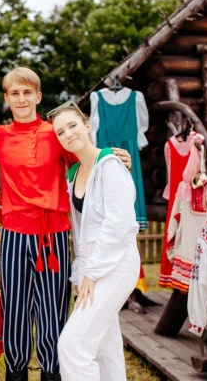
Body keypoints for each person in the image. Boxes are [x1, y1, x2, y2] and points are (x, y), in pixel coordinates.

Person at [0, 67, 131, 381]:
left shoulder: (56, 133)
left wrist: (112, 157)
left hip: (54, 236)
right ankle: (16, 373)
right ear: (6, 99)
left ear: (38, 96)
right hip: (14, 234)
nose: (21, 99)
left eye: (27, 92)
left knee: (52, 310)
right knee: (15, 311)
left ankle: (52, 373)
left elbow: (87, 158)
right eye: (15, 93)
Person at [49, 102, 140, 381]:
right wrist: (82, 270)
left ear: (87, 126)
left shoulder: (110, 164)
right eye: (60, 132)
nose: (68, 134)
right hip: (91, 264)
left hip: (117, 262)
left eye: (72, 125)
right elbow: (81, 231)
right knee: (103, 347)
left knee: (72, 346)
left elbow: (119, 224)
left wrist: (92, 272)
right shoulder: (73, 174)